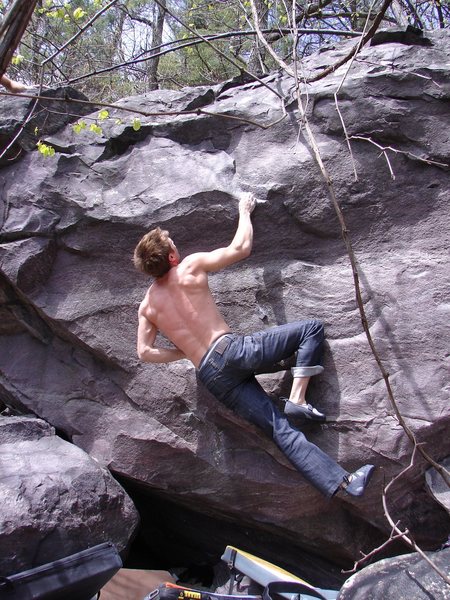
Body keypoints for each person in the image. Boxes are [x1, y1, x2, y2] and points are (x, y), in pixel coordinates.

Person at [133, 193, 375, 498]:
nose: (177, 248)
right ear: (171, 257)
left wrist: (184, 351)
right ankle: (298, 399)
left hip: (212, 376)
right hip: (231, 351)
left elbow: (144, 352)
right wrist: (244, 210)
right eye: (173, 245)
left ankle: (344, 483)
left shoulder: (147, 307)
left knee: (279, 429)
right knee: (310, 330)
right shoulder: (188, 267)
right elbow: (241, 248)